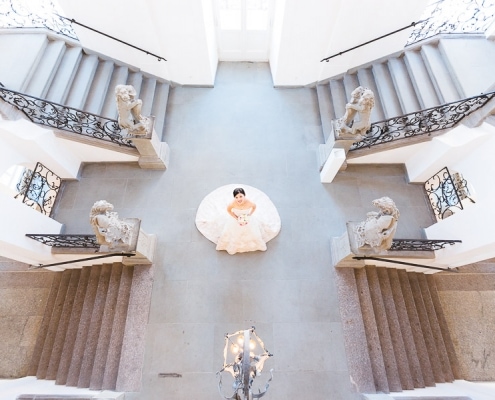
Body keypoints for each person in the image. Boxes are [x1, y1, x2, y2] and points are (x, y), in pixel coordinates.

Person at [216, 188, 267, 255]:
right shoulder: (232, 204)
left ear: (244, 195)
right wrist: (236, 217)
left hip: (247, 218)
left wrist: (249, 215)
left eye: (240, 196)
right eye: (236, 197)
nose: (239, 199)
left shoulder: (249, 202)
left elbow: (254, 207)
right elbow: (228, 210)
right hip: (235, 219)